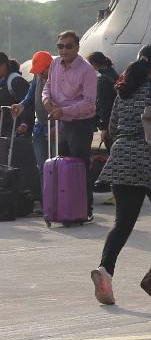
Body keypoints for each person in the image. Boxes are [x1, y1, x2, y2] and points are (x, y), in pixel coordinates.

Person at [89, 44, 151, 305]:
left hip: (122, 158)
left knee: (122, 223)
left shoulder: (123, 92)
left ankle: (105, 270)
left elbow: (111, 128)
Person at [42, 30, 98, 219]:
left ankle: (85, 209)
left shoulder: (87, 70)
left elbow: (89, 102)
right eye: (60, 46)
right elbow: (47, 86)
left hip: (80, 123)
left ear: (77, 47)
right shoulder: (55, 63)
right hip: (62, 122)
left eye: (68, 46)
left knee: (80, 167)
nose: (64, 50)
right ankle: (65, 208)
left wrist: (64, 111)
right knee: (63, 166)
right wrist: (46, 100)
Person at [11, 51, 53, 196]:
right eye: (38, 71)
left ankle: (56, 200)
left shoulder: (58, 78)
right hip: (39, 126)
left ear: (50, 67)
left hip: (54, 127)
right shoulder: (37, 76)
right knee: (41, 167)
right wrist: (21, 105)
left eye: (42, 71)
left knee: (53, 166)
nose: (40, 74)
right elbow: (30, 94)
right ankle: (45, 202)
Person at [87, 51, 119, 148]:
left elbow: (104, 104)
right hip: (115, 118)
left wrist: (104, 127)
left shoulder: (103, 79)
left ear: (95, 64)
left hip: (109, 121)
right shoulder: (112, 73)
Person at [0, 52, 30, 136]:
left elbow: (27, 103)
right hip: (4, 130)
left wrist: (24, 123)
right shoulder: (2, 82)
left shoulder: (16, 81)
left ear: (3, 65)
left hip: (16, 132)